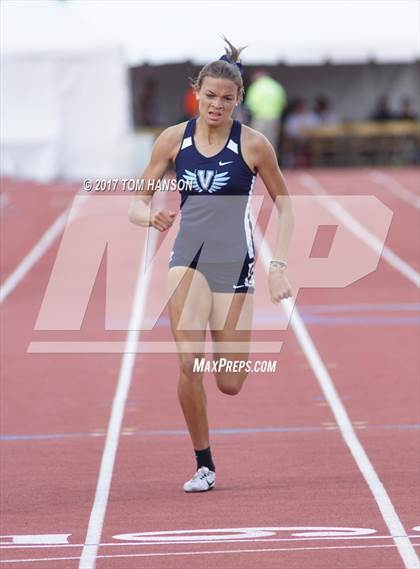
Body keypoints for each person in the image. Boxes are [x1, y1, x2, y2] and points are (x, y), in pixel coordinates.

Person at [128, 37, 293, 493]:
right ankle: (204, 463)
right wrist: (150, 216)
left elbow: (287, 205)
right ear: (196, 92)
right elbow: (136, 203)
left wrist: (277, 263)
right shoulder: (172, 139)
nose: (217, 104)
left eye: (227, 98)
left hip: (235, 268)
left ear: (238, 100)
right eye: (210, 95)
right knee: (188, 363)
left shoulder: (254, 146)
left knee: (231, 382)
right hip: (187, 261)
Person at [244, 69, 287, 151]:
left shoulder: (256, 86)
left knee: (257, 141)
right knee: (271, 141)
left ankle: (257, 162)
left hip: (259, 118)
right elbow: (283, 103)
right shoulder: (276, 86)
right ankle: (271, 162)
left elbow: (250, 105)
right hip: (274, 118)